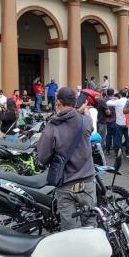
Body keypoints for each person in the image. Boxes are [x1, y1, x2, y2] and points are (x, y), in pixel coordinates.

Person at [36, 87, 95, 230]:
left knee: (69, 229)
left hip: (66, 184)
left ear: (58, 103)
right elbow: (89, 127)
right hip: (86, 182)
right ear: (75, 102)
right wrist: (81, 111)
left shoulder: (53, 126)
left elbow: (43, 157)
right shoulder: (86, 121)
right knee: (91, 226)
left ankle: (72, 251)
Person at [106, 90, 128, 157]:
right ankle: (128, 153)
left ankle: (118, 153)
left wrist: (113, 99)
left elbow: (107, 103)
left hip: (119, 123)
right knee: (128, 139)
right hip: (127, 123)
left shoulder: (118, 101)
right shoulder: (128, 101)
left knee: (118, 139)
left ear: (120, 95)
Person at [103, 88, 117, 154]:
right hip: (114, 119)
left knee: (108, 135)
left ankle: (107, 150)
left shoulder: (104, 100)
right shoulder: (115, 100)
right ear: (113, 93)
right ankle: (115, 151)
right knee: (115, 136)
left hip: (107, 120)